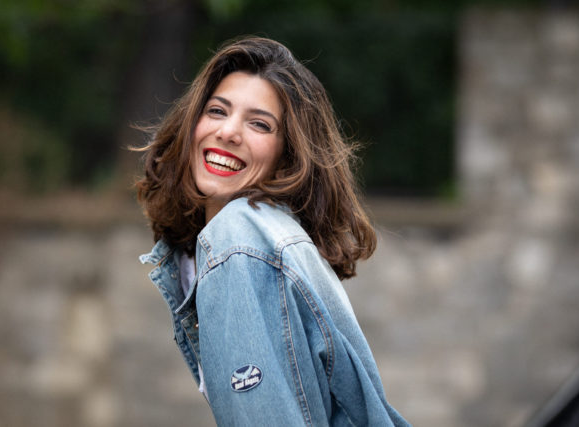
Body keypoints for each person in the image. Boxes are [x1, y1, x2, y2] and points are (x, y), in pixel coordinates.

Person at [136, 36, 410, 426]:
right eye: (217, 110)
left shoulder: (238, 239)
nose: (229, 132)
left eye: (260, 124)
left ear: (288, 155)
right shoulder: (258, 236)